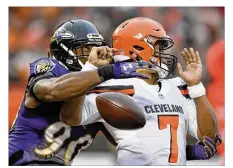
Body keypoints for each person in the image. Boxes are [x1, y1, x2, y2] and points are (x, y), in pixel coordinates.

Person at [80, 17, 222, 165]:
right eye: (158, 47)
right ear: (137, 48)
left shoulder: (177, 86)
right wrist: (89, 68)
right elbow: (72, 115)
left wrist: (196, 86)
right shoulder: (111, 88)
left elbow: (209, 137)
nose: (163, 53)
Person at [8, 19, 149, 166]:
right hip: (21, 160)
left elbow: (124, 142)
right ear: (64, 50)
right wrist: (104, 70)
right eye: (85, 49)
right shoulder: (51, 67)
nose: (93, 54)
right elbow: (53, 91)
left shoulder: (101, 89)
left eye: (96, 48)